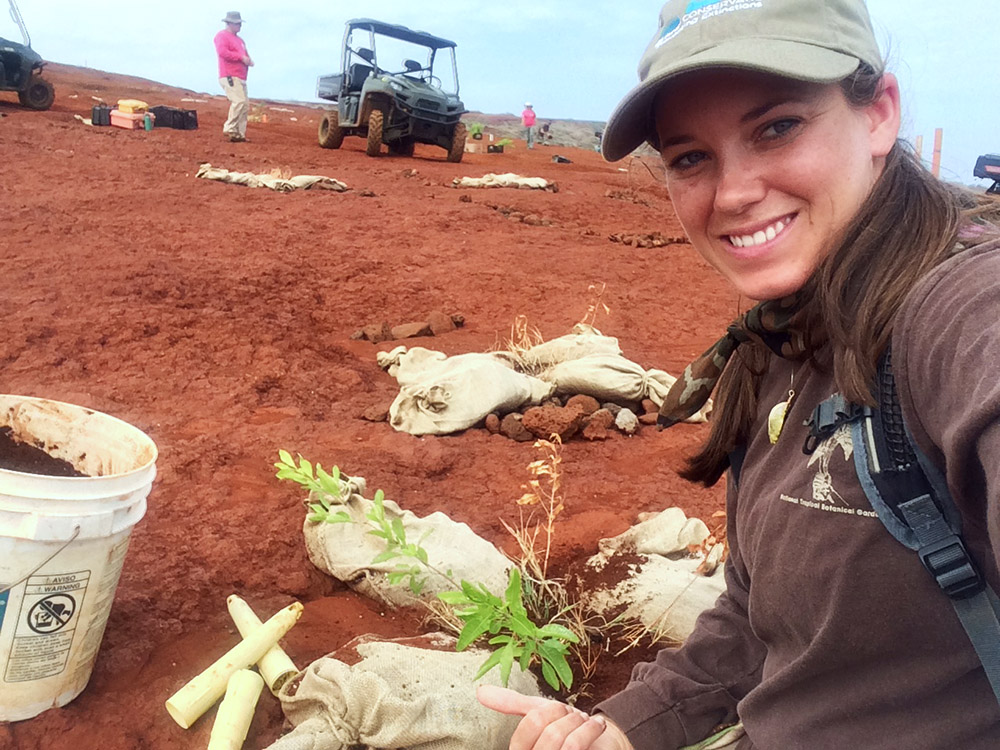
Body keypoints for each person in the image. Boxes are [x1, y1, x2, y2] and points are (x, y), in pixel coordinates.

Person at [479, 0, 1000, 748]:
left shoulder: (959, 312)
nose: (732, 193)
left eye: (777, 127)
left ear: (879, 113)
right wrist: (626, 728)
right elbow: (761, 619)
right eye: (691, 157)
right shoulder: (783, 343)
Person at [214, 11, 254, 143]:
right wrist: (241, 58)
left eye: (240, 24)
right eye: (237, 24)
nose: (239, 26)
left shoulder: (240, 40)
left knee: (244, 106)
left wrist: (248, 60)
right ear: (229, 23)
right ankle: (230, 127)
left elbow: (245, 55)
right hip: (230, 75)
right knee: (239, 101)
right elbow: (222, 52)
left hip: (241, 76)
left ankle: (238, 134)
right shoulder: (222, 36)